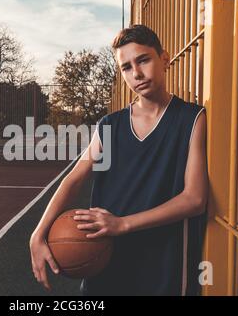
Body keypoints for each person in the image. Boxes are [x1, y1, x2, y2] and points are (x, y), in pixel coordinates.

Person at [29, 24, 208, 296]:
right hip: (108, 266)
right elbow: (74, 179)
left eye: (143, 60)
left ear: (164, 58)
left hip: (163, 266)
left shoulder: (191, 118)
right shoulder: (109, 125)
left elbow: (194, 199)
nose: (136, 73)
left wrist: (122, 224)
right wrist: (38, 234)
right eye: (126, 67)